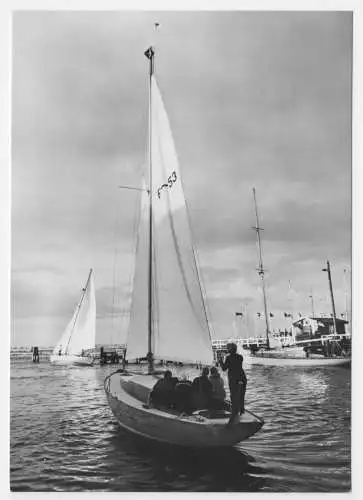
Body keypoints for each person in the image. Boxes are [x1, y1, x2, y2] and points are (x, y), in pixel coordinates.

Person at [220, 343, 247, 424]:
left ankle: (234, 412)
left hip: (234, 379)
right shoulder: (240, 357)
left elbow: (224, 368)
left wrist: (221, 361)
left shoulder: (228, 358)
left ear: (230, 349)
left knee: (233, 395)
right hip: (242, 377)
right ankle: (241, 410)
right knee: (241, 394)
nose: (227, 349)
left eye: (228, 348)